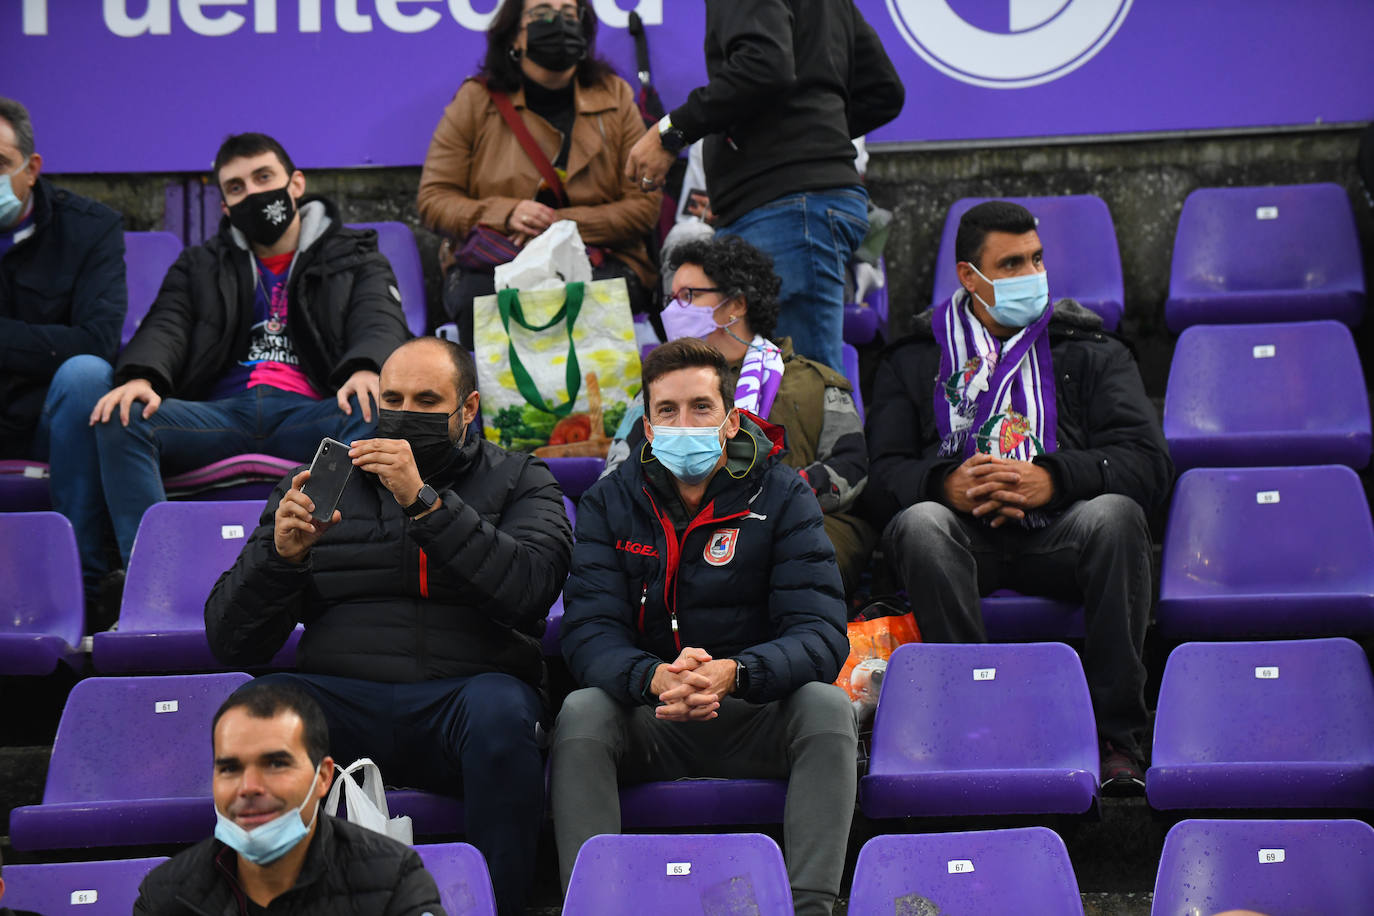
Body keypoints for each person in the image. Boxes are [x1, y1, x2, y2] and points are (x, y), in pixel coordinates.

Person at [206, 336, 572, 916]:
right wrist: (281, 558)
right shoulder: (319, 482)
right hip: (346, 699)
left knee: (503, 713)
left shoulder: (522, 479)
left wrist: (425, 503)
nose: (406, 414)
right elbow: (231, 641)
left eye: (427, 401)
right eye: (393, 399)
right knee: (258, 712)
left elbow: (531, 589)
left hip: (466, 701)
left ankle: (497, 905)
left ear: (468, 409)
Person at [864, 200, 1174, 792]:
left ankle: (1117, 739)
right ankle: (974, 728)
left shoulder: (1089, 348)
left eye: (1035, 259)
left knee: (1116, 516)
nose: (1030, 275)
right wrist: (944, 483)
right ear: (968, 276)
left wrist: (1055, 479)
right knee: (922, 523)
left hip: (1061, 536)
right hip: (961, 543)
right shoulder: (913, 357)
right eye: (1010, 264)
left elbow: (1148, 464)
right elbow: (880, 478)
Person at [552, 337, 855, 916]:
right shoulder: (608, 501)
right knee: (581, 713)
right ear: (646, 422)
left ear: (731, 418)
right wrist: (653, 678)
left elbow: (819, 632)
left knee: (825, 706)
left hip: (752, 710)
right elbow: (589, 632)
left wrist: (736, 673)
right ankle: (594, 904)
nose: (683, 423)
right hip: (652, 715)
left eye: (700, 407)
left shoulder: (784, 494)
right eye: (667, 411)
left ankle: (809, 906)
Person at [53, 132, 409, 615]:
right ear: (224, 206)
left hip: (311, 415)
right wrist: (142, 377)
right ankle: (155, 589)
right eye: (236, 187)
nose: (253, 194)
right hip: (219, 415)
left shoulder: (355, 254)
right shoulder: (200, 264)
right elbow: (167, 325)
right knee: (124, 413)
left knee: (377, 410)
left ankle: (328, 576)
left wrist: (368, 366)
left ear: (295, 183)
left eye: (264, 178)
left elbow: (378, 319)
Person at [624, 0, 904, 373]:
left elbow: (763, 65)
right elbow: (883, 89)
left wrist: (669, 133)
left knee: (805, 392)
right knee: (778, 393)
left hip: (788, 211)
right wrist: (803, 137)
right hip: (794, 207)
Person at [604, 235, 875, 594]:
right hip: (682, 532)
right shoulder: (656, 392)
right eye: (671, 299)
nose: (672, 311)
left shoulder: (816, 384)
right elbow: (615, 476)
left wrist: (770, 507)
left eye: (689, 297)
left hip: (796, 531)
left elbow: (851, 468)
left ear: (735, 306)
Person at [418, 0, 660, 347]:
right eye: (542, 13)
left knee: (596, 298)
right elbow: (433, 199)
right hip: (497, 263)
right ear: (513, 36)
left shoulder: (616, 95)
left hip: (601, 259)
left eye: (568, 13)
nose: (558, 23)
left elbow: (643, 205)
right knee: (481, 298)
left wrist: (558, 225)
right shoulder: (476, 99)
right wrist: (506, 213)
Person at [133, 680, 444, 913]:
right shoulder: (166, 897)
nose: (249, 786)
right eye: (229, 768)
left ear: (322, 777)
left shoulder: (393, 880)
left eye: (275, 764)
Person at [0, 97, 127, 612]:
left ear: (32, 169)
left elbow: (95, 342)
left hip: (49, 415)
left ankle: (84, 580)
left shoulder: (91, 228)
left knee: (85, 376)